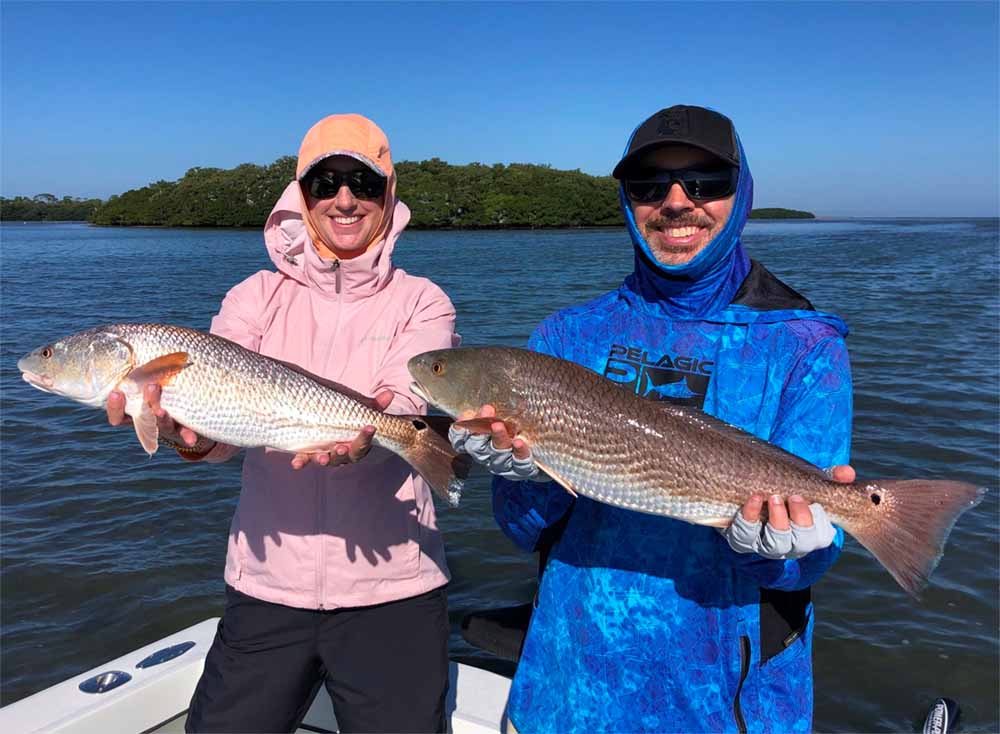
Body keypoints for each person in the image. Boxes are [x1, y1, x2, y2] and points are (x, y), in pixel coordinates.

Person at [450, 105, 855, 733]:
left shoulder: (804, 345)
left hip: (727, 707)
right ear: (626, 199)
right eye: (649, 185)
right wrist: (525, 478)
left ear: (741, 193)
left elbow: (805, 562)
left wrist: (786, 551)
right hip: (565, 689)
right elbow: (524, 530)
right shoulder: (567, 334)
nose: (675, 201)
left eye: (705, 182)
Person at [106, 114, 457, 733]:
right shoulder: (252, 296)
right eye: (325, 182)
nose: (344, 199)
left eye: (363, 183)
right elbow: (215, 429)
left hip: (394, 586)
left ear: (388, 196)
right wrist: (183, 432)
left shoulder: (423, 299)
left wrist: (374, 434)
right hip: (267, 585)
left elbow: (403, 396)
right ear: (301, 196)